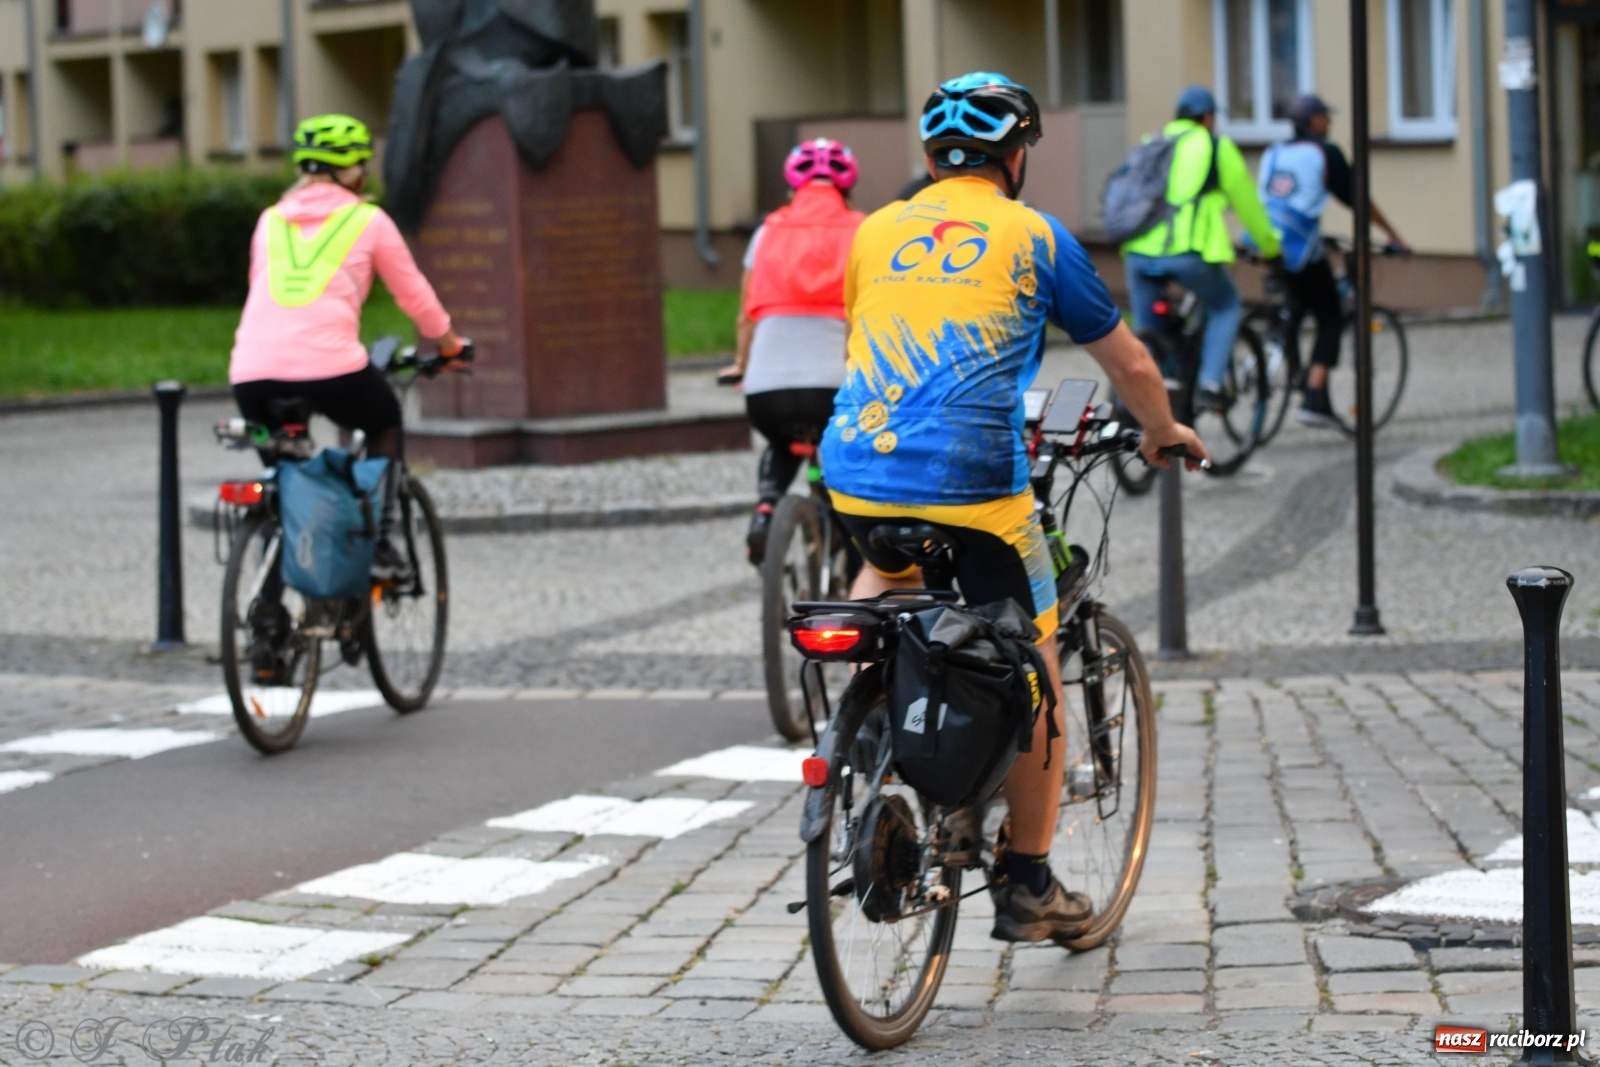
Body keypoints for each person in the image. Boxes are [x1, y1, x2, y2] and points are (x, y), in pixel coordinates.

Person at [819, 72, 1208, 943]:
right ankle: (1029, 881)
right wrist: (1162, 431)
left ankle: (864, 727)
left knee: (888, 570)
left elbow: (868, 343)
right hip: (973, 483)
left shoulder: (875, 230)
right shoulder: (1036, 235)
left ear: (931, 158)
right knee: (1033, 662)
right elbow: (1131, 364)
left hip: (855, 465)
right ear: (1016, 158)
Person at [229, 115, 467, 579]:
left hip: (252, 373)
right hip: (331, 369)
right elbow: (414, 295)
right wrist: (450, 345)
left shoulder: (270, 220)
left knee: (284, 479)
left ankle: (269, 601)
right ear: (350, 171)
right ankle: (379, 543)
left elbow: (261, 287)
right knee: (384, 420)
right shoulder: (367, 220)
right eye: (362, 165)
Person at [720, 138, 865, 564]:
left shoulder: (767, 231)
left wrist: (741, 364)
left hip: (768, 388)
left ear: (792, 189)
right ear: (847, 189)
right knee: (850, 468)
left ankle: (766, 509)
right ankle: (858, 564)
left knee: (783, 442)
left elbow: (746, 315)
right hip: (835, 386)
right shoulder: (863, 229)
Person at [1122, 86, 1281, 412]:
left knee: (1148, 334)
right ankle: (1211, 383)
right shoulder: (1215, 146)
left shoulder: (1152, 143)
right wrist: (1270, 248)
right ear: (1208, 117)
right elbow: (1247, 203)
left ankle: (1137, 397)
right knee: (1225, 304)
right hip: (1187, 253)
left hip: (1137, 252)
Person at [1258, 93, 1411, 426]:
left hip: (1268, 243)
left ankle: (1296, 369)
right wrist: (1393, 236)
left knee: (1296, 306)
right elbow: (1358, 199)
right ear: (1314, 120)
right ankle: (1314, 395)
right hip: (1301, 248)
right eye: (1326, 117)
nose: (1329, 123)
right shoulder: (1324, 153)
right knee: (1330, 315)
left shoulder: (1274, 152)